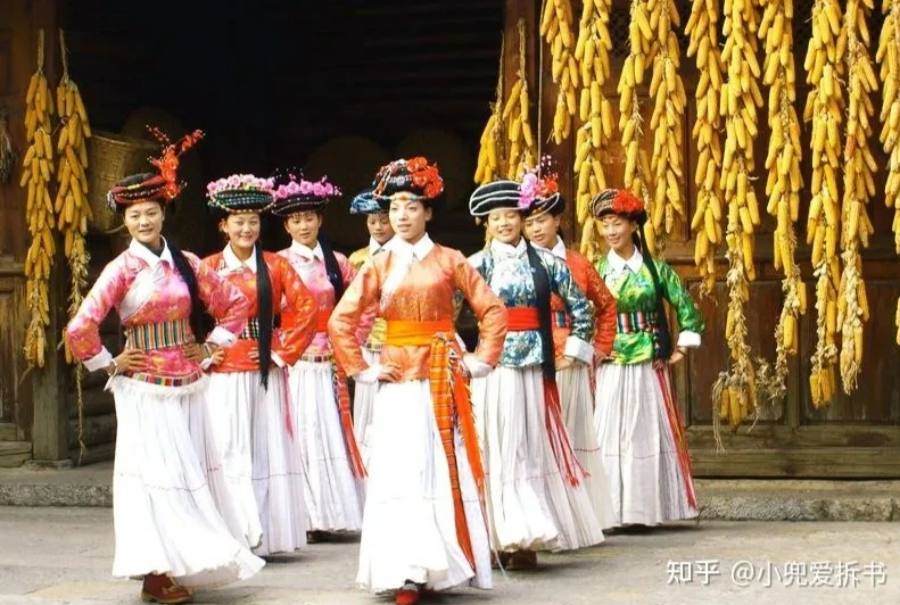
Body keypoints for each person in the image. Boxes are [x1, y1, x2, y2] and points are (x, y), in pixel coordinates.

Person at [64, 129, 264, 604]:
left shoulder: (187, 263)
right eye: (135, 215)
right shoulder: (121, 270)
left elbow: (235, 304)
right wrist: (110, 362)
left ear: (163, 214)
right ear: (124, 222)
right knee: (156, 480)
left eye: (151, 212)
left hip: (189, 383)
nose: (144, 221)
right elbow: (79, 328)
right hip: (144, 388)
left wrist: (211, 347)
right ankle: (154, 571)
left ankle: (181, 564)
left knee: (187, 474)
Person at [327, 157, 507, 605]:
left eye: (411, 206)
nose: (401, 216)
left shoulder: (450, 259)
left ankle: (444, 565)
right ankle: (406, 570)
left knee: (442, 466)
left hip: (442, 376)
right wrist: (364, 370)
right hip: (397, 381)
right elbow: (340, 321)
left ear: (428, 211)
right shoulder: (378, 264)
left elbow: (492, 310)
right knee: (402, 471)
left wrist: (480, 360)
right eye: (394, 208)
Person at [466, 175, 605, 569]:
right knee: (497, 447)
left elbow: (582, 309)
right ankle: (496, 535)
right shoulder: (475, 265)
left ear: (522, 218)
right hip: (493, 369)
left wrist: (573, 353)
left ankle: (527, 537)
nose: (504, 223)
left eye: (511, 215)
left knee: (528, 447)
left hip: (534, 370)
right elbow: (450, 310)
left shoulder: (547, 263)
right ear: (486, 224)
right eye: (496, 218)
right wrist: (463, 355)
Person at [202, 173, 318, 556]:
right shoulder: (208, 267)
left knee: (265, 448)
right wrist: (204, 351)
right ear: (224, 225)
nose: (246, 229)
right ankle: (231, 534)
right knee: (227, 448)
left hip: (263, 366)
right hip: (222, 370)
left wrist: (279, 351)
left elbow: (308, 309)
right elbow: (188, 314)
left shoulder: (275, 266)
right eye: (238, 221)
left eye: (253, 221)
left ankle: (267, 534)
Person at [590, 188, 705, 527]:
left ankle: (645, 511)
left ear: (633, 226)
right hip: (611, 361)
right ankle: (610, 511)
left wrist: (682, 347)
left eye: (617, 224)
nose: (611, 231)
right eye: (605, 224)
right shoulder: (597, 270)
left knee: (645, 432)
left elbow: (686, 306)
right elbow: (580, 310)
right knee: (609, 433)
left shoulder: (656, 271)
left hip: (647, 361)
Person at [272, 173, 366, 541]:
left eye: (309, 218)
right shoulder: (276, 263)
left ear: (320, 220)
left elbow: (362, 305)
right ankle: (305, 516)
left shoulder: (337, 262)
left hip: (328, 359)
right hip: (294, 360)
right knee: (300, 433)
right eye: (295, 220)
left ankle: (333, 512)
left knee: (329, 432)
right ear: (286, 226)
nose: (303, 226)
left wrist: (350, 343)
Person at [522, 188, 618, 529]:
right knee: (534, 438)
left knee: (571, 435)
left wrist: (598, 348)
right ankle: (542, 517)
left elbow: (607, 306)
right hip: (529, 356)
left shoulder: (577, 263)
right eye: (529, 223)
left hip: (568, 358)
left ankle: (578, 517)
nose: (535, 229)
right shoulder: (516, 262)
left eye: (542, 220)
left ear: (558, 220)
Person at [346, 196, 395, 468]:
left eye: (384, 221)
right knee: (367, 409)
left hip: (398, 341)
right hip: (368, 342)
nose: (378, 227)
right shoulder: (357, 259)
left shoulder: (405, 255)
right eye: (373, 221)